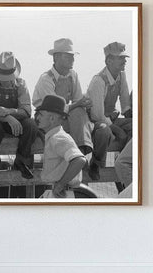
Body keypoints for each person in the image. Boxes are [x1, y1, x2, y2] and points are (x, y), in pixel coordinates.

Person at [0, 51, 38, 179]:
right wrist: (6, 118)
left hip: (15, 121)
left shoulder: (21, 84)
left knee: (31, 125)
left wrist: (10, 111)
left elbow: (27, 111)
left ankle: (21, 161)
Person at [33, 38, 93, 155]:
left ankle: (80, 151)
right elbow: (53, 108)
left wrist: (84, 103)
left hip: (64, 115)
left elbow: (77, 99)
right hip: (45, 116)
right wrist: (78, 103)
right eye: (68, 56)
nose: (72, 60)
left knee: (79, 111)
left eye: (72, 56)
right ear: (56, 58)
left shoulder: (73, 75)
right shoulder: (46, 78)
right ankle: (80, 152)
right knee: (77, 112)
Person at [86, 41, 132, 181]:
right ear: (109, 61)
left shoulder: (121, 76)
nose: (124, 61)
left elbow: (125, 104)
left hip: (112, 118)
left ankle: (127, 161)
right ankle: (95, 163)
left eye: (124, 57)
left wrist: (132, 119)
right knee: (104, 131)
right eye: (120, 58)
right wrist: (118, 130)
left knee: (135, 127)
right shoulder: (98, 81)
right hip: (95, 122)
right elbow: (97, 115)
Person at [35, 95, 87, 198]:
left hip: (58, 194)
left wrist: (60, 185)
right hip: (56, 193)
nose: (37, 117)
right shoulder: (55, 137)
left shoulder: (58, 138)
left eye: (41, 114)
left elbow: (79, 160)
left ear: (52, 118)